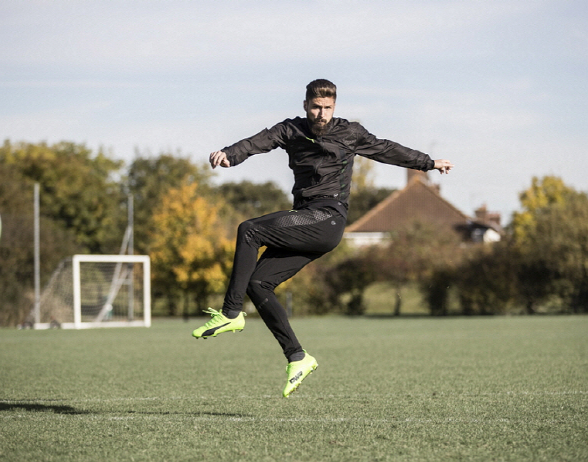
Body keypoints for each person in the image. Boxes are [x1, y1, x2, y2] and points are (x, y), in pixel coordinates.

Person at [191, 79, 454, 397]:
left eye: (327, 108)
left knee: (249, 229)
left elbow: (385, 149)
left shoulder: (350, 132)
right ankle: (297, 357)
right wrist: (231, 154)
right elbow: (259, 141)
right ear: (305, 105)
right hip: (306, 223)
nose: (321, 113)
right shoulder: (290, 130)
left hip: (327, 219)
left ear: (334, 107)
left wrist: (428, 163)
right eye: (316, 107)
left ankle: (231, 313)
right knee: (258, 283)